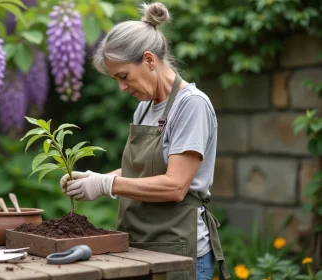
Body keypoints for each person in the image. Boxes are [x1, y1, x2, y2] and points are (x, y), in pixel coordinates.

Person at [60, 2, 230, 280]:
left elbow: (175, 186)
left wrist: (106, 185)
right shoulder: (146, 107)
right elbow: (141, 173)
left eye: (123, 76)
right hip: (139, 247)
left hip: (178, 252)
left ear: (149, 60)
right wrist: (95, 177)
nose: (121, 87)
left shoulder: (191, 105)